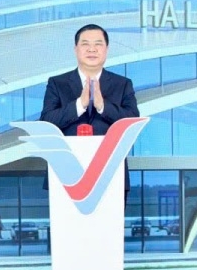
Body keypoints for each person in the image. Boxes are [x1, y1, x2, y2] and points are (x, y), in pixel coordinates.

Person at [40, 24, 140, 196]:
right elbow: (47, 122)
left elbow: (131, 123)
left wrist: (103, 105)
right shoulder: (57, 84)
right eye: (85, 44)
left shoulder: (122, 84)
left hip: (111, 176)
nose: (92, 49)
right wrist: (80, 104)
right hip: (66, 176)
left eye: (98, 44)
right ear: (75, 49)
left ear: (106, 49)